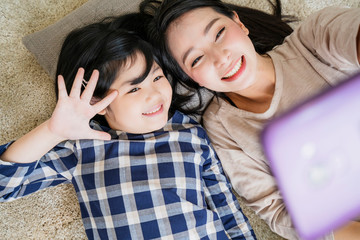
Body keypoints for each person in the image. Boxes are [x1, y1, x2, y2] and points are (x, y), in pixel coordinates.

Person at [0, 13, 257, 240]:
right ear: (96, 102)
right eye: (134, 88)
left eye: (157, 77)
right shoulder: (85, 147)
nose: (155, 94)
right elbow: (4, 184)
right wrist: (52, 131)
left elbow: (226, 208)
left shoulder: (190, 133)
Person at [139, 0, 360, 239]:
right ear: (191, 79)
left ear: (239, 23)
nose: (221, 58)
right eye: (196, 59)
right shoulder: (222, 127)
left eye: (219, 33)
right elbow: (282, 213)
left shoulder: (315, 38)